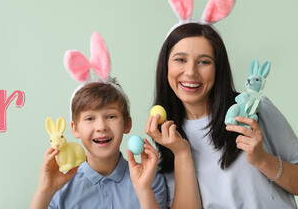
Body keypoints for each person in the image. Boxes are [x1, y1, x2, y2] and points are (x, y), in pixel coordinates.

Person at [152, 22, 298, 208]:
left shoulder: (254, 110)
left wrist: (263, 160)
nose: (191, 72)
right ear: (165, 66)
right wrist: (181, 154)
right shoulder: (167, 137)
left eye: (204, 61)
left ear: (218, 69)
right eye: (180, 59)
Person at [29, 82, 201, 209]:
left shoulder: (149, 178)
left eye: (111, 116)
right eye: (90, 118)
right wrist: (45, 191)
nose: (101, 126)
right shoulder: (61, 186)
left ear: (127, 124)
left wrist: (144, 189)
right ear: (75, 129)